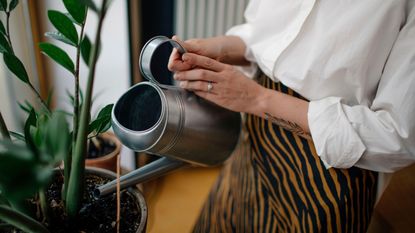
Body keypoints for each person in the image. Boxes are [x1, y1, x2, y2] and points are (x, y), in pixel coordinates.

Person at [168, 0, 415, 232]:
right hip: (255, 135)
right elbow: (264, 35)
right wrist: (215, 49)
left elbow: (397, 137)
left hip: (326, 174)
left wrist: (256, 99)